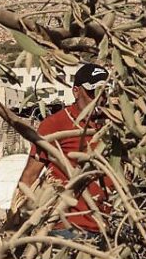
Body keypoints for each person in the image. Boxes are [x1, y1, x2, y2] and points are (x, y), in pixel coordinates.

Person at [10, 63, 112, 237]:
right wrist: (14, 224)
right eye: (92, 92)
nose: (99, 98)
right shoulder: (56, 125)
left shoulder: (112, 125)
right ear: (76, 91)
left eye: (103, 92)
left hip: (108, 227)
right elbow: (29, 176)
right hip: (67, 227)